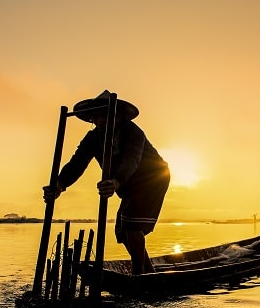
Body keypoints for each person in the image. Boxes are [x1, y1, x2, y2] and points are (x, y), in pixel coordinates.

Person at [43, 90, 171, 275]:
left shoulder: (133, 132)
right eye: (97, 116)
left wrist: (116, 181)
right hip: (127, 184)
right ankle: (148, 271)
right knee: (122, 230)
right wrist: (59, 185)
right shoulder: (93, 138)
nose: (101, 120)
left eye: (105, 115)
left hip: (152, 179)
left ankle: (139, 275)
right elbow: (76, 163)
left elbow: (131, 160)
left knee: (132, 226)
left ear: (118, 116)